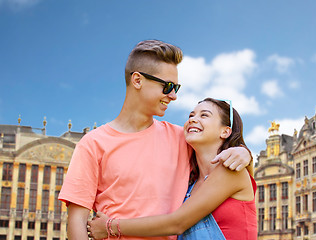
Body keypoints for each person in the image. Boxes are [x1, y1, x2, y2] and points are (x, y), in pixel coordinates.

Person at [58, 40, 252, 240]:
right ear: (137, 80)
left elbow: (217, 151)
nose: (173, 96)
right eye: (167, 86)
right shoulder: (93, 144)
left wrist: (243, 152)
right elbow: (78, 220)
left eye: (176, 87)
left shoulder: (182, 138)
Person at [88, 98, 257, 240]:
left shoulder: (230, 171)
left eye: (204, 115)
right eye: (191, 115)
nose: (192, 119)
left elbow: (176, 224)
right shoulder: (190, 182)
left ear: (225, 131)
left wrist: (110, 227)